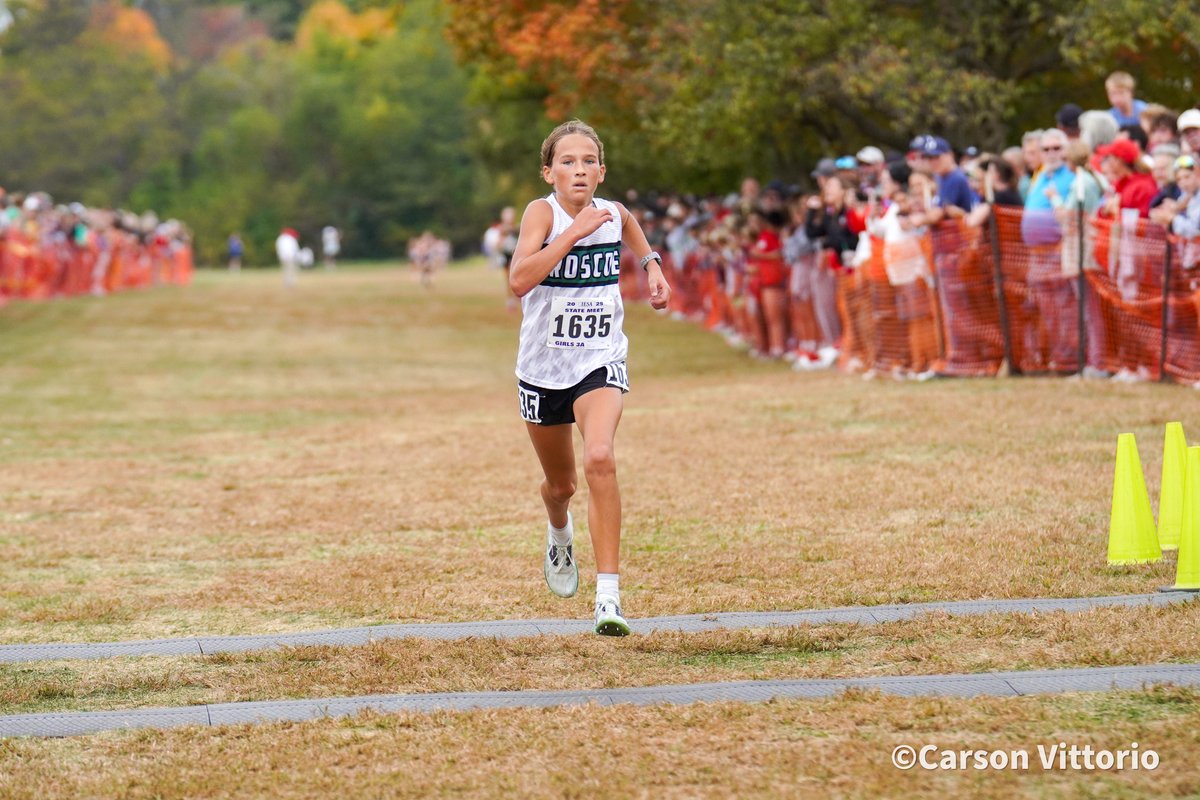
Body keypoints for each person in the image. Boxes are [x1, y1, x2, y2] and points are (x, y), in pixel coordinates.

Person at [507, 120, 671, 636]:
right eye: (567, 162)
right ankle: (559, 533)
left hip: (599, 359)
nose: (578, 170)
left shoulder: (614, 212)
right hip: (542, 368)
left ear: (602, 171)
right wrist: (572, 234)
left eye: (587, 162)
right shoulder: (542, 213)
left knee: (600, 456)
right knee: (562, 484)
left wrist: (652, 268)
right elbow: (518, 280)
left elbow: (634, 233)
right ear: (549, 171)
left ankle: (608, 599)